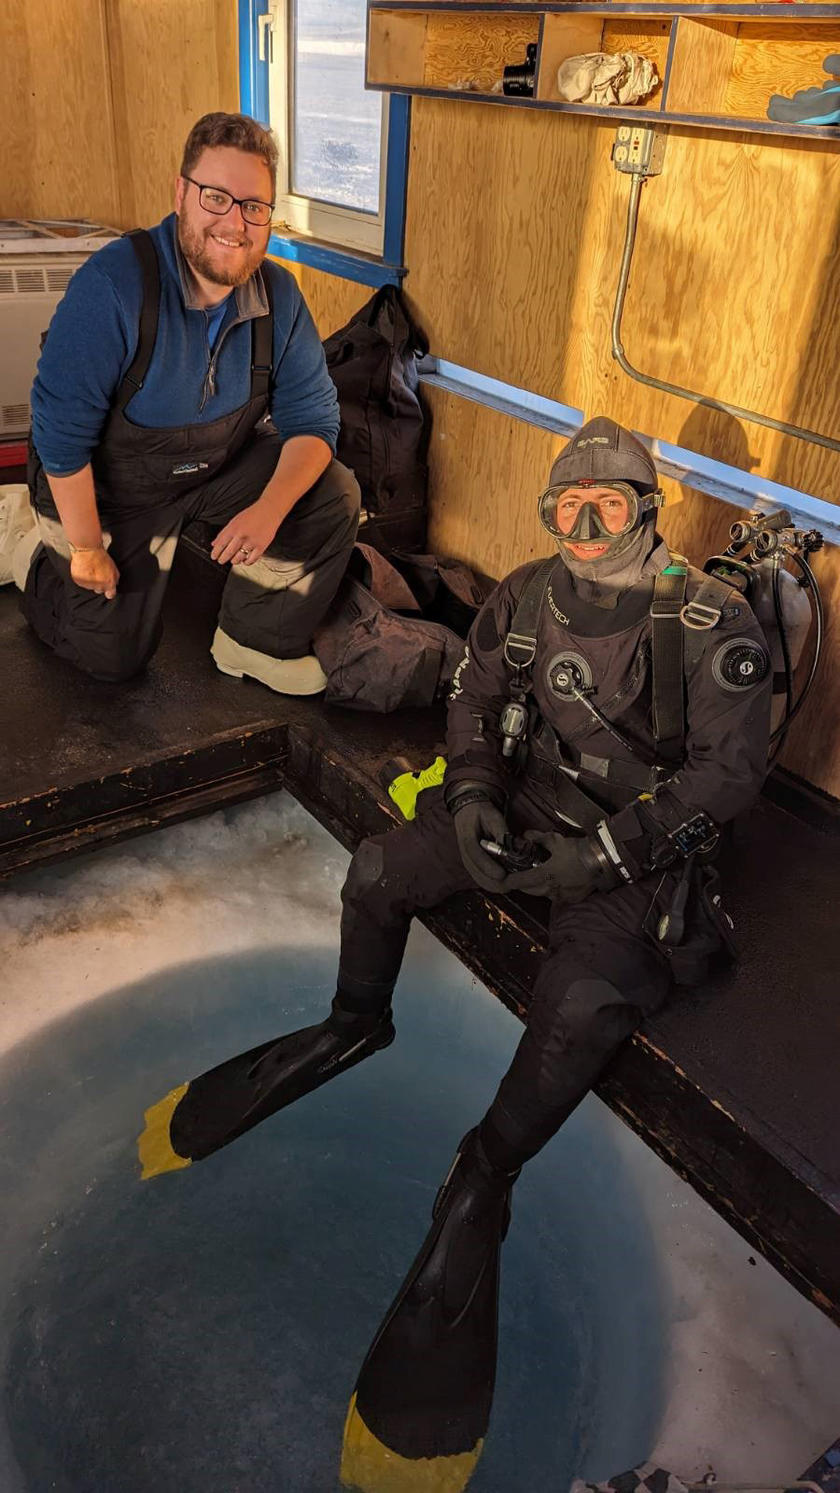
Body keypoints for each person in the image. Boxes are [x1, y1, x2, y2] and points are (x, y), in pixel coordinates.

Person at [139, 416, 772, 1491]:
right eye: (564, 506)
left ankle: (486, 1170)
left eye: (606, 507)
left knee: (577, 1002)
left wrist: (605, 855)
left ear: (648, 513)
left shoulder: (713, 625)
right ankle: (354, 1019)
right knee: (380, 870)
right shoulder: (525, 592)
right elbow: (476, 696)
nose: (581, 525)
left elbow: (729, 775)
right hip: (521, 809)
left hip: (632, 855)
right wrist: (474, 792)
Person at [15, 111, 358, 694]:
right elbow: (62, 439)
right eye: (216, 197)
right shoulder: (112, 286)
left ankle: (252, 641)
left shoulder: (279, 295)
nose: (236, 222)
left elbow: (315, 423)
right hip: (106, 489)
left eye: (254, 206)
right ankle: (25, 545)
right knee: (112, 659)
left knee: (330, 491)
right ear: (181, 193)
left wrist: (270, 508)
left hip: (211, 472)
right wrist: (85, 548)